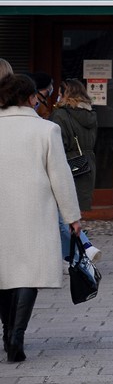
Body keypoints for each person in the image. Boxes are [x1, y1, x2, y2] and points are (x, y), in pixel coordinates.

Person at [0, 73, 81, 363]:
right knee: (29, 273)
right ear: (32, 97)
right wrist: (72, 216)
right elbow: (60, 176)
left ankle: (7, 329)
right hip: (34, 208)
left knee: (4, 272)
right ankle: (16, 336)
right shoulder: (46, 130)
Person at [50, 78, 101, 261]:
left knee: (62, 212)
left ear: (66, 94)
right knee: (72, 211)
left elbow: (58, 144)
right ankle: (82, 247)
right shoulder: (90, 114)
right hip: (86, 165)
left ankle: (81, 250)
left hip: (67, 164)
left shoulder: (60, 115)